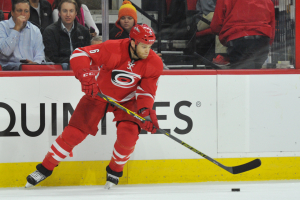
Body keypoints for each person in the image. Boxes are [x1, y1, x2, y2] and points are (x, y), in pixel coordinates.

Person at [25, 24, 163, 189]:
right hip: (99, 94)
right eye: (143, 46)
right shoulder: (113, 48)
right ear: (133, 42)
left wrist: (146, 112)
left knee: (129, 133)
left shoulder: (154, 62)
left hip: (127, 100)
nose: (148, 51)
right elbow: (80, 53)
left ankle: (114, 171)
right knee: (74, 133)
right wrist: (84, 74)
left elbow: (146, 92)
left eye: (149, 46)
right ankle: (45, 168)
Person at [210, 0, 275, 69]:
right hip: (262, 41)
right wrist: (268, 43)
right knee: (255, 74)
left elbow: (216, 25)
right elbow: (272, 24)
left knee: (241, 74)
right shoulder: (267, 1)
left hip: (238, 40)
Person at [42, 0, 90, 70]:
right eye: (65, 11)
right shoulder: (50, 32)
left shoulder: (84, 31)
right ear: (59, 13)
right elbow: (51, 58)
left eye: (71, 11)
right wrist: (73, 60)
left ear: (76, 13)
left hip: (81, 70)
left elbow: (87, 55)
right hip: (59, 71)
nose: (68, 14)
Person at [0, 0, 45, 70]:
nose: (23, 14)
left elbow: (40, 55)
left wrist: (35, 64)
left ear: (29, 14)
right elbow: (6, 51)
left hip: (31, 69)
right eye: (19, 11)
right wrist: (16, 28)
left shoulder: (35, 30)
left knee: (52, 66)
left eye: (26, 11)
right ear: (12, 12)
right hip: (9, 69)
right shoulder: (2, 27)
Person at [195, 0, 229, 66]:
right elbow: (208, 9)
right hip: (202, 19)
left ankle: (230, 52)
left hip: (214, 15)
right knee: (220, 19)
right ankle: (221, 55)